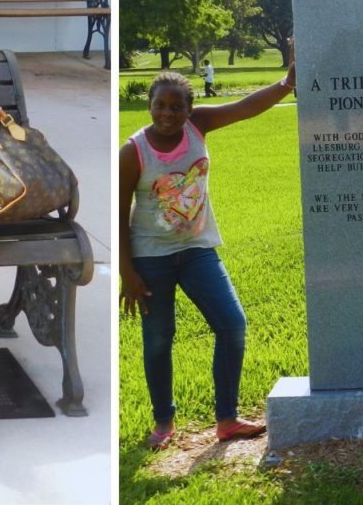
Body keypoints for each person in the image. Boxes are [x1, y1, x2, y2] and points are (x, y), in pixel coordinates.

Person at [119, 53, 296, 450]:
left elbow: (246, 107)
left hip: (198, 249)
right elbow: (118, 213)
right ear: (149, 106)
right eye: (160, 106)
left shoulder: (199, 126)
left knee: (232, 325)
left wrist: (286, 84)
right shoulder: (133, 151)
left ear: (189, 109)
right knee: (159, 339)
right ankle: (163, 422)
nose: (168, 113)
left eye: (176, 106)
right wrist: (127, 273)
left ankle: (227, 419)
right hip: (151, 258)